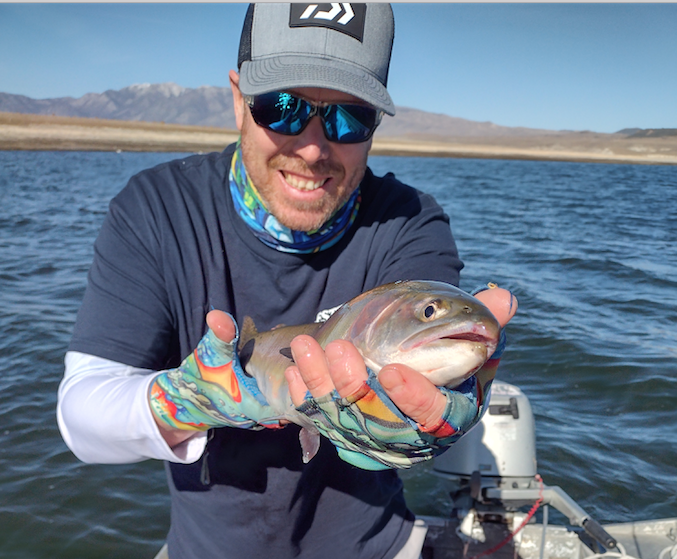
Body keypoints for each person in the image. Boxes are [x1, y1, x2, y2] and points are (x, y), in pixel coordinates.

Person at [57, 4, 516, 559]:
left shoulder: (411, 222)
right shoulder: (155, 210)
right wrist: (195, 400)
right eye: (282, 108)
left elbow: (429, 328)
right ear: (238, 99)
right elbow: (81, 416)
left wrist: (444, 403)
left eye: (350, 117)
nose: (313, 148)